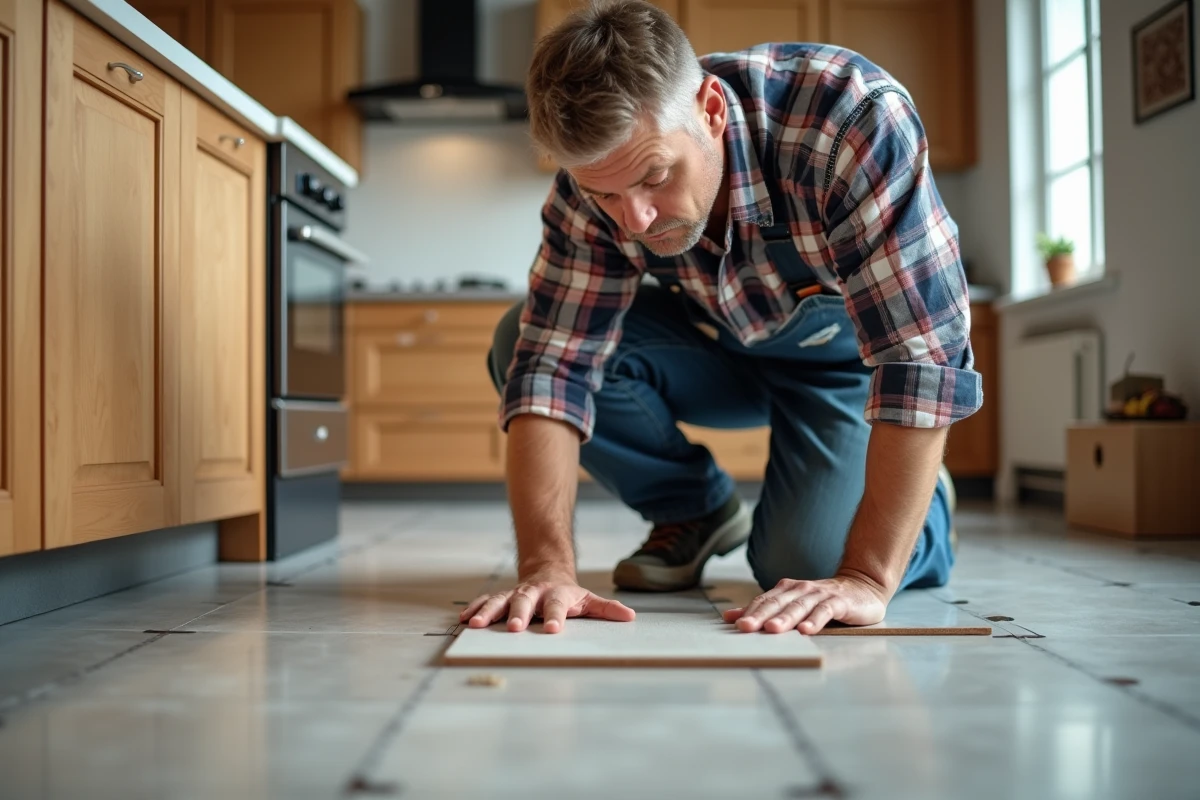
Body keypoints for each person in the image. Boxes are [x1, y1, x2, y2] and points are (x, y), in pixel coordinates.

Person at [461, 0, 980, 636]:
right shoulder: (591, 189)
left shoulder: (848, 120)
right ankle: (695, 512)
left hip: (849, 373)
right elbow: (552, 367)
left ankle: (927, 506)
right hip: (721, 352)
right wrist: (546, 566)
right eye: (606, 195)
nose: (635, 219)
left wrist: (867, 576)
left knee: (806, 565)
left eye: (656, 177)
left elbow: (918, 361)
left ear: (709, 109)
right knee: (519, 337)